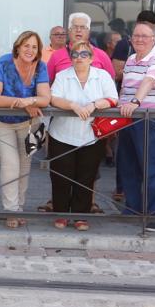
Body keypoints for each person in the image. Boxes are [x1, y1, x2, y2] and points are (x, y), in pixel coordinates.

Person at [48, 40, 120, 229]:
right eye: (75, 54)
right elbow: (53, 98)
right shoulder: (63, 75)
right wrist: (72, 105)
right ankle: (61, 213)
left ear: (92, 58)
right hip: (62, 134)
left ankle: (81, 215)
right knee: (61, 176)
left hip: (91, 136)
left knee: (86, 177)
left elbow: (113, 98)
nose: (79, 58)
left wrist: (94, 104)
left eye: (84, 54)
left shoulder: (102, 75)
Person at [0, 31, 51, 223]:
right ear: (17, 46)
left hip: (33, 124)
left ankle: (19, 207)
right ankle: (11, 211)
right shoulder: (3, 62)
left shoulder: (41, 66)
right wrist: (23, 103)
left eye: (34, 47)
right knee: (10, 164)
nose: (30, 50)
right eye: (26, 46)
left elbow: (45, 98)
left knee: (25, 166)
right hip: (0, 121)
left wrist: (31, 101)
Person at [117, 21, 155, 231]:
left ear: (154, 39)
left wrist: (135, 102)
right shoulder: (131, 59)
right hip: (127, 119)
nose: (139, 39)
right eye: (136, 36)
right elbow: (125, 89)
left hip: (149, 119)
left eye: (144, 36)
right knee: (128, 165)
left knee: (152, 166)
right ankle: (133, 208)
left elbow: (149, 81)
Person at [47, 13, 115, 82]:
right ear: (69, 31)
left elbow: (111, 81)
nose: (78, 30)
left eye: (82, 27)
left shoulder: (101, 55)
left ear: (88, 31)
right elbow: (48, 82)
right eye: (75, 27)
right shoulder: (56, 56)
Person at [112, 10, 155, 80]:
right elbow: (116, 75)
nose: (151, 33)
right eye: (148, 29)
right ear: (137, 25)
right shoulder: (124, 45)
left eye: (154, 30)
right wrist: (138, 69)